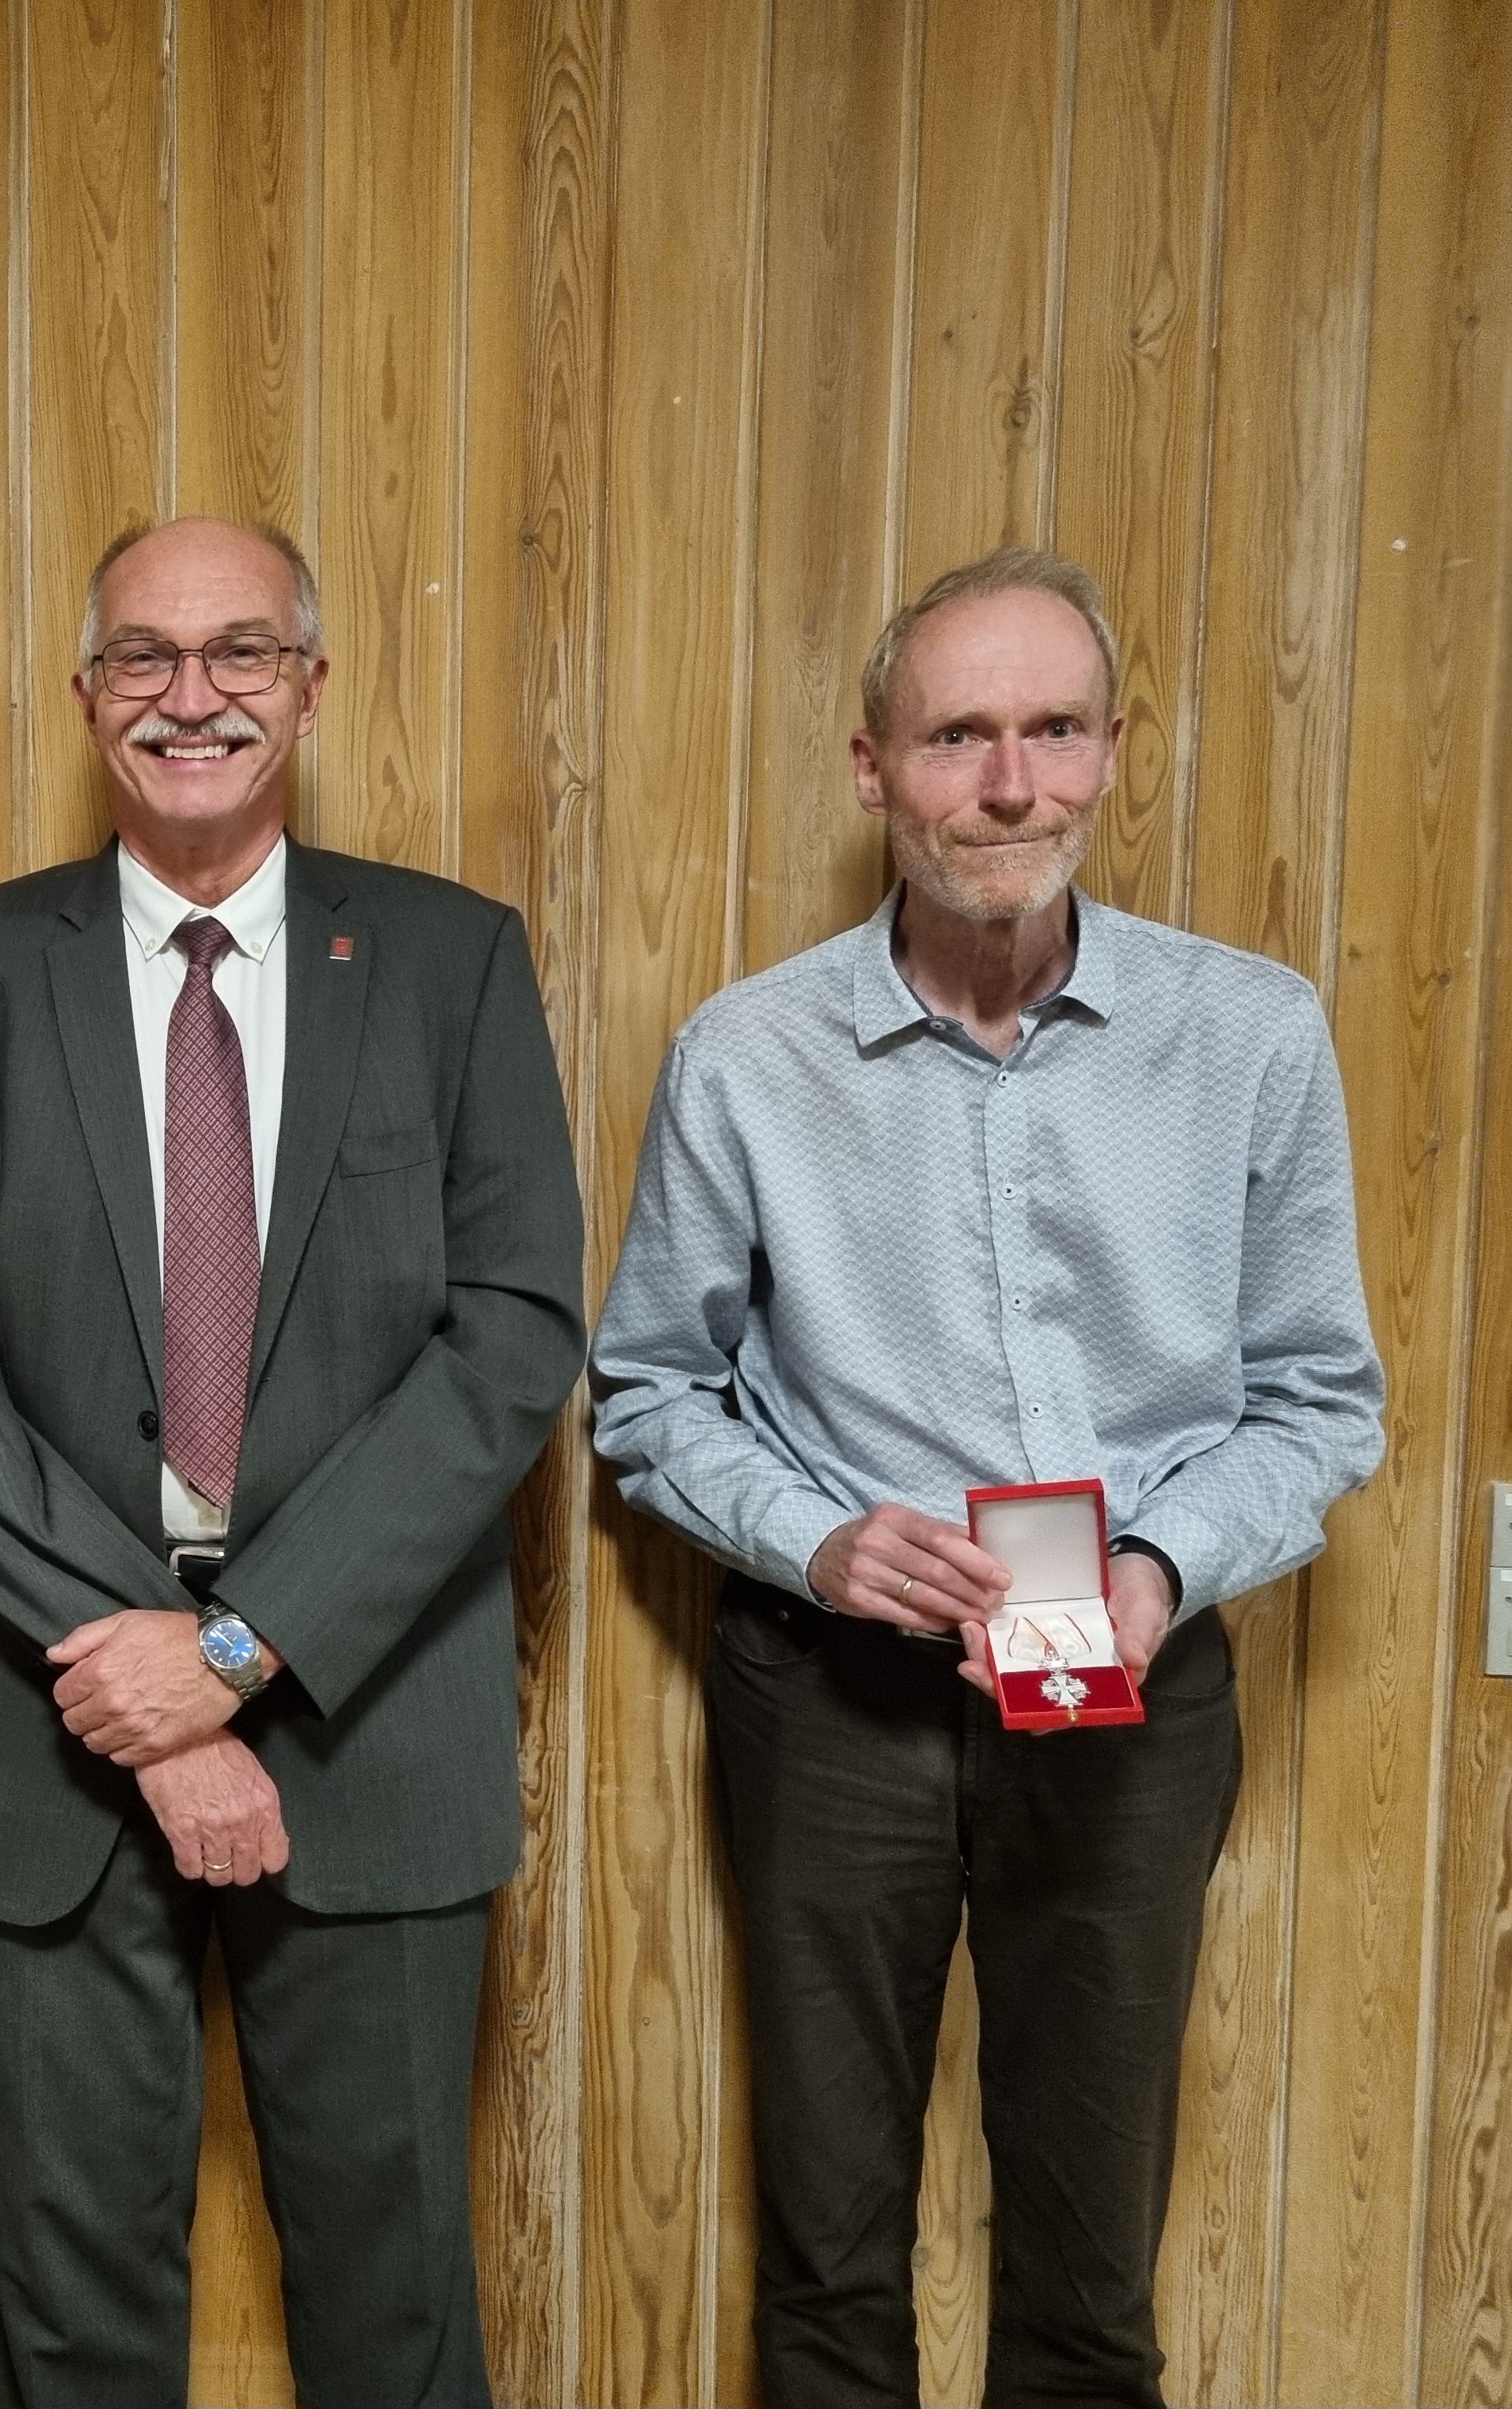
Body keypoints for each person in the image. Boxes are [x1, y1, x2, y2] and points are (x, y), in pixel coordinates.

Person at [590, 547, 1387, 2407]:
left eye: (1051, 730)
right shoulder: (747, 1057)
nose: (1008, 783)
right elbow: (643, 1394)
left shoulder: (1251, 1036)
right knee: (828, 2258)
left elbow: (1321, 1401)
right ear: (875, 766)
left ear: (1115, 753)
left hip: (1133, 1691)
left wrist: (1162, 1569)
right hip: (834, 1703)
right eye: (959, 735)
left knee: (1092, 2263)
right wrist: (813, 1539)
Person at [0, 516, 586, 2407]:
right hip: (52, 1723)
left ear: (313, 686)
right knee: (72, 2308)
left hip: (368, 1711)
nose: (193, 695)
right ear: (88, 693)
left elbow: (510, 1339)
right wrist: (156, 1688)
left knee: (395, 2297)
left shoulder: (449, 960)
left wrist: (246, 1646)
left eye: (241, 652)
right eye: (145, 658)